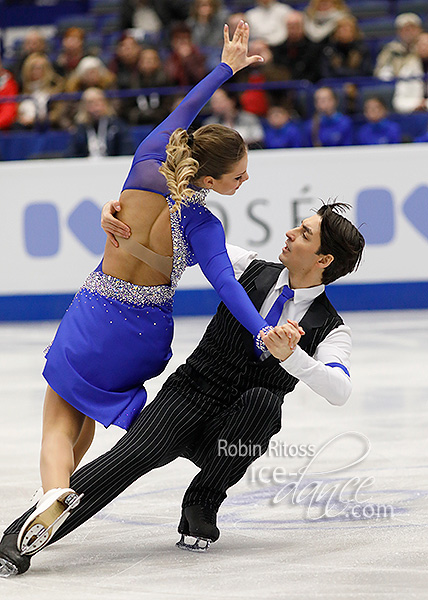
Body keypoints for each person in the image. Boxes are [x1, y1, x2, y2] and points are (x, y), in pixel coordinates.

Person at [0, 20, 272, 563]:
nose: (245, 183)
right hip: (144, 337)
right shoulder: (204, 225)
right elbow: (228, 288)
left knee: (58, 421)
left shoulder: (147, 155)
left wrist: (225, 67)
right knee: (80, 418)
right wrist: (263, 330)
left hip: (97, 312)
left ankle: (54, 493)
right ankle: (54, 497)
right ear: (211, 179)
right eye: (239, 176)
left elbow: (188, 106)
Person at [0, 201, 365, 574]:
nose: (290, 233)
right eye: (298, 226)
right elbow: (172, 234)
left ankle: (203, 499)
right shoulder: (247, 268)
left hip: (228, 440)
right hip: (186, 399)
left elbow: (340, 391)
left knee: (264, 403)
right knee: (127, 460)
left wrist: (292, 358)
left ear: (324, 260)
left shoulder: (330, 326)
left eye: (305, 234)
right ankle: (20, 538)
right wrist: (118, 215)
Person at [66, 88, 134, 158]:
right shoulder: (79, 129)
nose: (96, 106)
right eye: (91, 103)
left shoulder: (117, 126)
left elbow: (127, 151)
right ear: (84, 106)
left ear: (105, 103)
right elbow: (71, 154)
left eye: (99, 102)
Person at [374, 13, 423, 82]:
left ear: (419, 30)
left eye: (413, 28)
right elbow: (379, 71)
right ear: (398, 32)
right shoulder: (390, 49)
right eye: (405, 29)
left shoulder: (424, 47)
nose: (409, 32)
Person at [392, 32, 428, 114]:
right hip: (414, 116)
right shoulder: (407, 69)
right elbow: (398, 102)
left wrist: (425, 104)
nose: (424, 47)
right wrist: (417, 104)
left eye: (426, 44)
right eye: (421, 44)